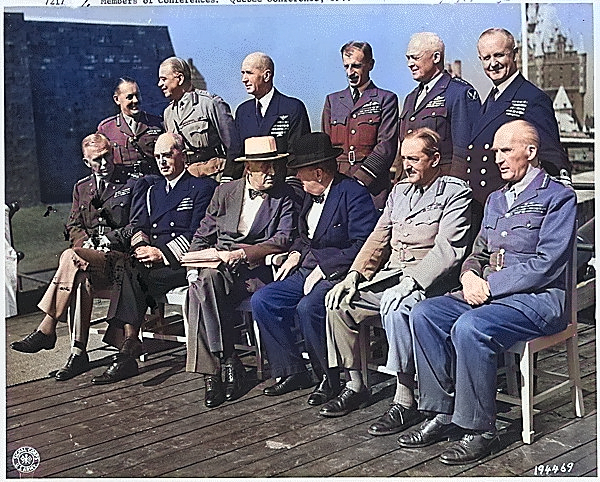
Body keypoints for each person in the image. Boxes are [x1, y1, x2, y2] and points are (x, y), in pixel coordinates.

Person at [401, 120, 576, 465]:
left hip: (538, 302)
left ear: (531, 151)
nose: (497, 158)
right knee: (425, 313)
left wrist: (489, 285)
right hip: (489, 296)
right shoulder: (496, 199)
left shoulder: (558, 197)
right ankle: (442, 413)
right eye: (495, 151)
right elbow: (478, 252)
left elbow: (546, 265)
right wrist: (468, 277)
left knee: (471, 327)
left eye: (505, 150)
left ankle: (480, 430)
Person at [323, 128, 471, 420]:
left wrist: (412, 283)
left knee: (397, 308)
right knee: (339, 304)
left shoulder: (455, 193)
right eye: (404, 158)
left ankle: (405, 399)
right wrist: (354, 275)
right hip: (392, 276)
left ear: (435, 159)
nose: (407, 165)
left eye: (414, 159)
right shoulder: (400, 191)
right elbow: (379, 238)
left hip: (433, 283)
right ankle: (355, 385)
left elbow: (448, 249)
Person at [251, 132, 379, 404]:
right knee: (264, 299)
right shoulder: (311, 194)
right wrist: (296, 252)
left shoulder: (353, 194)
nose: (297, 177)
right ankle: (292, 370)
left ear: (319, 172)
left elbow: (364, 244)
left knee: (308, 308)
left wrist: (326, 268)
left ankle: (329, 378)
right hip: (307, 267)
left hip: (339, 273)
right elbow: (304, 234)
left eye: (301, 173)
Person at [10, 133, 139, 381]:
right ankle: (78, 353)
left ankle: (47, 328)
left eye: (106, 157)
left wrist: (99, 244)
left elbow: (136, 224)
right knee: (79, 279)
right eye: (96, 160)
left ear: (112, 152)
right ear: (86, 162)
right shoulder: (82, 188)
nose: (103, 164)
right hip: (88, 262)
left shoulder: (131, 183)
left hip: (120, 262)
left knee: (70, 256)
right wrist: (84, 245)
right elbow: (73, 225)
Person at [184, 135, 297, 408]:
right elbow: (203, 234)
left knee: (198, 294)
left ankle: (216, 369)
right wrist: (194, 265)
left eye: (274, 166)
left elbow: (281, 240)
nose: (271, 172)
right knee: (202, 282)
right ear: (249, 168)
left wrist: (241, 254)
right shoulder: (225, 192)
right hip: (218, 269)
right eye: (264, 167)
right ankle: (226, 362)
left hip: (254, 272)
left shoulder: (284, 196)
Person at [95, 132, 217, 384]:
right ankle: (129, 344)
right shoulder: (153, 191)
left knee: (129, 277)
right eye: (158, 156)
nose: (162, 162)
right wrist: (142, 246)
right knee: (126, 267)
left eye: (168, 155)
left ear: (182, 154)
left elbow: (199, 234)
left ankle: (127, 350)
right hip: (153, 261)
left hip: (183, 262)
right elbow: (141, 225)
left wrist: (161, 253)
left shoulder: (202, 188)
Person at [450, 28, 571, 226]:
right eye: (486, 58)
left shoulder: (532, 98)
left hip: (510, 212)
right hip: (482, 209)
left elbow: (551, 156)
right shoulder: (491, 98)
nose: (492, 63)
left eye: (499, 55)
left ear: (514, 54)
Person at [322, 41, 399, 209]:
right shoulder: (332, 101)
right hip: (339, 184)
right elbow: (325, 148)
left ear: (370, 64)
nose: (350, 73)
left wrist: (361, 179)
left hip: (372, 188)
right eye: (346, 67)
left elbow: (386, 146)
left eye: (356, 66)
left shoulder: (386, 99)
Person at [222, 52, 311, 183]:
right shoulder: (243, 111)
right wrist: (227, 181)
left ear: (267, 75)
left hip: (282, 185)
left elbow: (297, 154)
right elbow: (235, 152)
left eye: (249, 73)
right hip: (251, 184)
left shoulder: (292, 108)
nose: (244, 79)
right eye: (243, 73)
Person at [399, 32, 480, 176]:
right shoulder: (410, 98)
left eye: (415, 57)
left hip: (442, 185)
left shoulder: (459, 93)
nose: (410, 64)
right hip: (411, 185)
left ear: (436, 57)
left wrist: (453, 189)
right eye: (408, 58)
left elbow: (464, 151)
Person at [158, 57, 239, 179]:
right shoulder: (168, 113)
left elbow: (234, 146)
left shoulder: (209, 103)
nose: (160, 84)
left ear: (180, 78)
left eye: (163, 79)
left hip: (214, 177)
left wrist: (228, 178)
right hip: (187, 181)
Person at [97, 77, 164, 177]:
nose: (135, 100)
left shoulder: (157, 123)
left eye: (137, 95)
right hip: (124, 185)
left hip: (153, 183)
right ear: (117, 99)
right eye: (130, 97)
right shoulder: (106, 128)